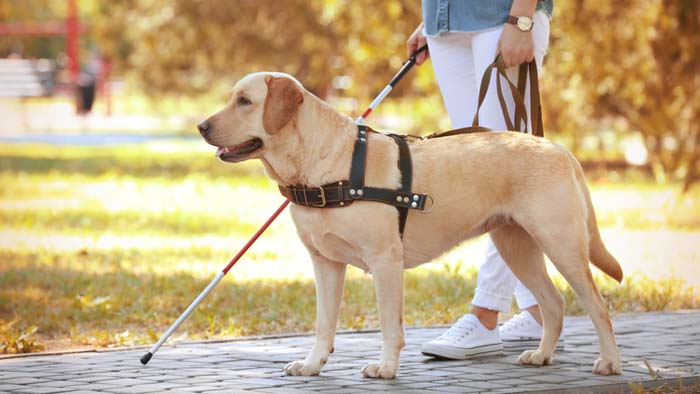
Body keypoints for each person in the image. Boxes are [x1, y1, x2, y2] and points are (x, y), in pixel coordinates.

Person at [407, 0, 561, 359]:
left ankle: (485, 313)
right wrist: (437, 16)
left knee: (506, 174)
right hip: (447, 25)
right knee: (480, 175)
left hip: (501, 16)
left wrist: (522, 18)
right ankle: (540, 313)